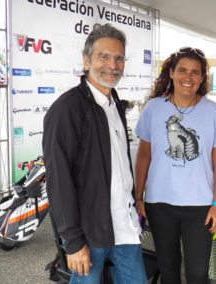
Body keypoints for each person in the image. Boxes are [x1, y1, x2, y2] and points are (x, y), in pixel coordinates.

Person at [42, 24, 146, 283]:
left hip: (124, 226)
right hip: (89, 233)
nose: (113, 64)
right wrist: (73, 241)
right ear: (86, 60)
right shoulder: (66, 110)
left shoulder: (115, 105)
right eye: (104, 56)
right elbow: (59, 181)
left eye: (119, 57)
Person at [134, 47, 216, 284]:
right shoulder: (154, 108)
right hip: (159, 204)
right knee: (168, 269)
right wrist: (138, 197)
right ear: (171, 72)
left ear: (201, 78)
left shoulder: (213, 112)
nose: (188, 78)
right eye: (182, 70)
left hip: (200, 206)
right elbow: (143, 156)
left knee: (197, 273)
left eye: (195, 72)